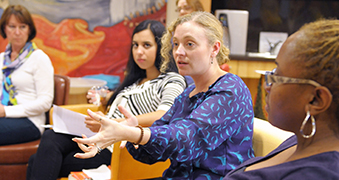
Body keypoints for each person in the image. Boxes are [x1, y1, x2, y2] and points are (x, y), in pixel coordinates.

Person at [73, 11, 255, 179]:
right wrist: (129, 133)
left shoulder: (230, 89)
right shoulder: (187, 95)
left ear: (214, 48)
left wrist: (132, 133)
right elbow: (152, 152)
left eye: (189, 44)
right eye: (176, 44)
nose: (179, 52)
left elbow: (187, 138)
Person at [26, 19, 186, 180]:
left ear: (162, 47)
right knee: (50, 137)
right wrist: (106, 98)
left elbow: (164, 115)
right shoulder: (134, 82)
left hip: (117, 147)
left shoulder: (172, 80)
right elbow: (117, 99)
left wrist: (116, 123)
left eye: (146, 45)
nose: (139, 52)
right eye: (135, 45)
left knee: (37, 160)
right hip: (100, 136)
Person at [224, 19, 339, 179]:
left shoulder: (316, 175)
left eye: (277, 76)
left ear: (316, 100)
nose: (267, 86)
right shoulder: (300, 140)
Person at [0, 5, 54, 145]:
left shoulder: (39, 58)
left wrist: (7, 111)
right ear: (4, 29)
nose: (17, 32)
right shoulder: (1, 59)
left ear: (29, 29)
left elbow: (46, 102)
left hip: (30, 121)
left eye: (22, 27)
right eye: (12, 26)